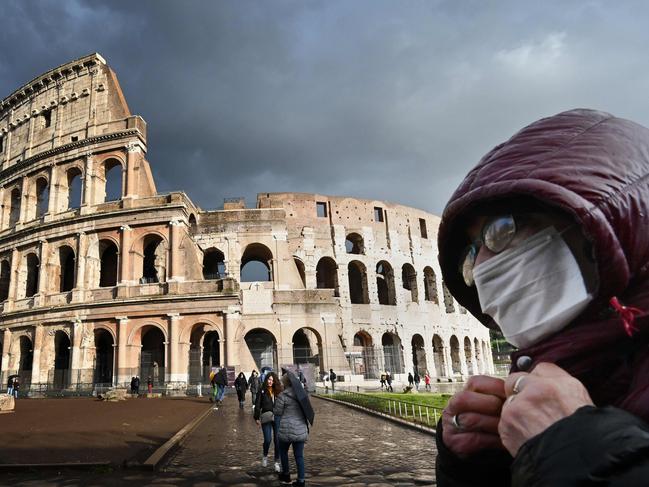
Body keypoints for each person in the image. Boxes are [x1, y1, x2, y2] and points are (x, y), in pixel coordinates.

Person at [435, 108, 649, 486]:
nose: (481, 266)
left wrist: (574, 447)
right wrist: (476, 467)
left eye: (501, 228)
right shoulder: (560, 374)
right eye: (471, 253)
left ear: (603, 223)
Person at [275, 373, 310, 486]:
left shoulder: (283, 396)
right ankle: (301, 480)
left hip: (286, 429)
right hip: (300, 429)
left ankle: (286, 475)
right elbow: (307, 410)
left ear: (285, 383)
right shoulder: (302, 395)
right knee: (299, 455)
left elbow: (277, 412)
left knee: (283, 452)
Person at [254, 371, 282, 472]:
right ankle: (265, 456)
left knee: (277, 440)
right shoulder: (262, 390)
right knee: (268, 439)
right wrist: (256, 417)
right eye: (269, 380)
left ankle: (276, 462)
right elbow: (257, 404)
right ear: (266, 380)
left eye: (272, 380)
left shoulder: (278, 390)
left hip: (277, 417)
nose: (270, 382)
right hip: (266, 416)